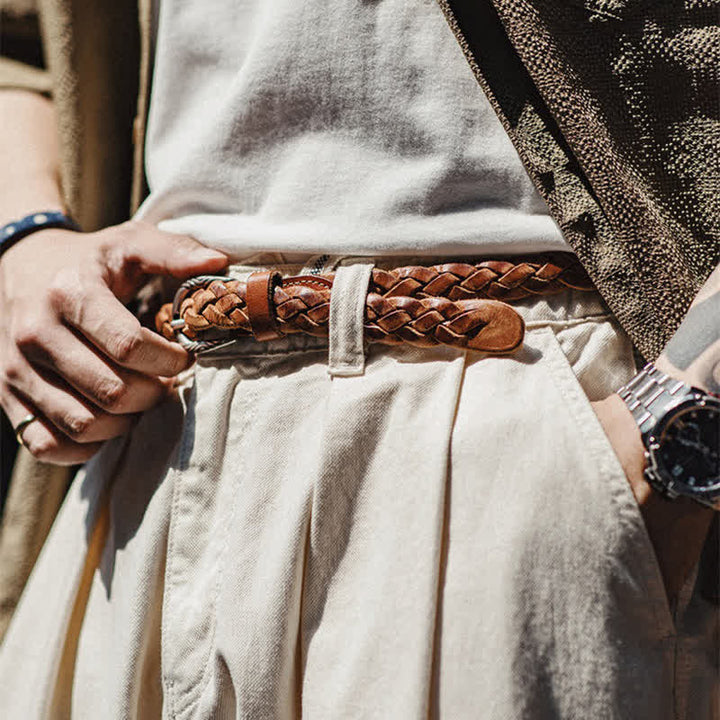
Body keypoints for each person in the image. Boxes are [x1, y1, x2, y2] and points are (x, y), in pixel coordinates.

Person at [0, 0, 717, 718]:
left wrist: (676, 425)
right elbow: (22, 42)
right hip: (157, 445)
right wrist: (23, 241)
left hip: (535, 404)